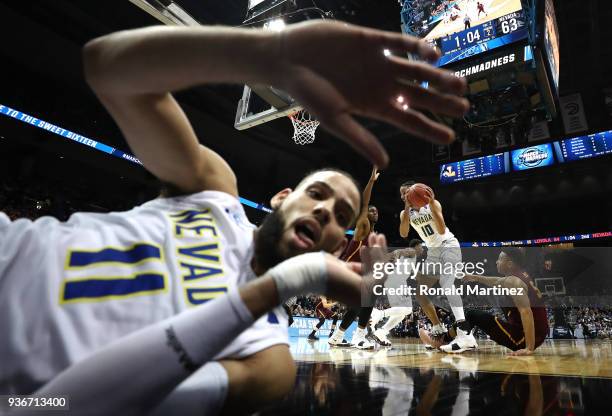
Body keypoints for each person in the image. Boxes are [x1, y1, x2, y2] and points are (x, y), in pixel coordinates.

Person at [1, 20, 469, 414]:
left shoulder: (269, 360)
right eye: (318, 195)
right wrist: (262, 53)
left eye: (340, 216)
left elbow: (58, 406)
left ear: (335, 247)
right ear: (283, 197)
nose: (326, 210)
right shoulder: (214, 191)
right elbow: (107, 68)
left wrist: (283, 284)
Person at [399, 182, 477, 353]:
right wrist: (406, 210)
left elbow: (441, 230)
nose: (405, 197)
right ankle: (437, 327)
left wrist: (432, 205)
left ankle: (465, 333)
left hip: (448, 244)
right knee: (420, 292)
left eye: (407, 193)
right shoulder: (405, 214)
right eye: (403, 195)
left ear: (415, 192)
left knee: (446, 283)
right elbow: (404, 233)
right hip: (433, 251)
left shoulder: (434, 204)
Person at [450, 248, 549, 355]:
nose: (496, 262)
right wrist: (475, 277)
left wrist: (529, 348)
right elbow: (497, 281)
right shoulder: (521, 275)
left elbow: (526, 312)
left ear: (510, 264)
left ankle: (443, 339)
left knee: (471, 315)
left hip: (523, 338)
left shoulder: (514, 281)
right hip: (536, 335)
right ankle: (455, 338)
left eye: (499, 259)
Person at [328, 169, 383, 349]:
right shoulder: (363, 226)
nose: (373, 211)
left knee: (360, 304)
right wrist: (371, 180)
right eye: (370, 210)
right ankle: (358, 337)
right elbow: (364, 203)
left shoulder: (373, 234)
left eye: (376, 210)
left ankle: (337, 336)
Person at [369, 238, 426, 345]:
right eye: (421, 247)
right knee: (408, 309)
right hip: (397, 280)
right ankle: (379, 314)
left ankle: (382, 332)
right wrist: (395, 255)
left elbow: (416, 274)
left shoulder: (411, 258)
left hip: (394, 280)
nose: (422, 249)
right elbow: (398, 252)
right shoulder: (412, 251)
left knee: (401, 313)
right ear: (416, 246)